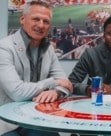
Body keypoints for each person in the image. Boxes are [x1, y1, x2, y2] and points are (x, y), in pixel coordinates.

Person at [0, 1, 73, 136]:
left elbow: (66, 84)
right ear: (22, 19)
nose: (41, 25)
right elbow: (17, 92)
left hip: (38, 120)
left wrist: (56, 92)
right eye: (36, 19)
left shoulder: (49, 49)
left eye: (46, 21)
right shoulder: (4, 47)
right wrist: (53, 83)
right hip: (9, 124)